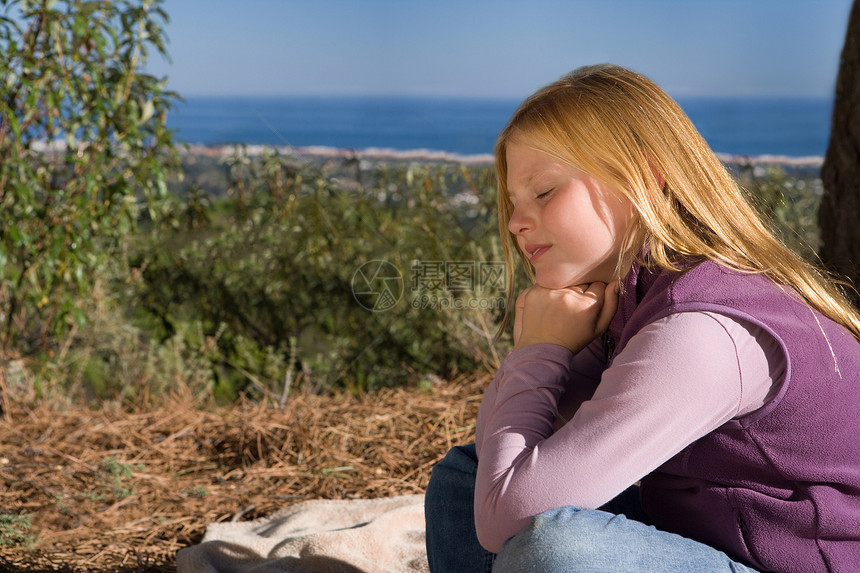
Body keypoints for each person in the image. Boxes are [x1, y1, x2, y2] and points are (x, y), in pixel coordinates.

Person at [424, 63, 860, 573]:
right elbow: (499, 466)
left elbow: (502, 520)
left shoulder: (700, 332)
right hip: (714, 542)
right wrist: (548, 348)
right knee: (464, 479)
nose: (517, 222)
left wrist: (536, 351)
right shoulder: (628, 296)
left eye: (543, 192)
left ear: (645, 181)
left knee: (556, 550)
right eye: (513, 204)